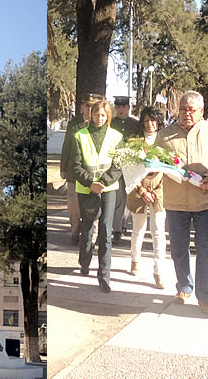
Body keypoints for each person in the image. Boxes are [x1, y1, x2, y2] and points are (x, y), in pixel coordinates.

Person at [156, 91, 208, 312]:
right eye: (182, 109)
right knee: (179, 248)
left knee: (206, 248)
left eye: (191, 110)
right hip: (175, 201)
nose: (186, 113)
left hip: (205, 201)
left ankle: (205, 295)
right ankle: (184, 286)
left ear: (201, 111)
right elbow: (156, 162)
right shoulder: (165, 134)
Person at [73, 100, 123, 292]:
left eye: (103, 115)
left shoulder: (116, 137)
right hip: (86, 189)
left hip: (108, 189)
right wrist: (90, 183)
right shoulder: (80, 136)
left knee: (105, 229)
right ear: (91, 115)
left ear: (107, 116)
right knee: (87, 227)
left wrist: (103, 183)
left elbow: (118, 165)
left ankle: (104, 276)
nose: (99, 118)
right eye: (96, 114)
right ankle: (84, 261)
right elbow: (75, 166)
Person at [127, 106, 166, 289]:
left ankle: (159, 271)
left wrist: (154, 190)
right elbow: (128, 168)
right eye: (146, 121)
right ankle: (135, 259)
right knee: (138, 228)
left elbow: (171, 166)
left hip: (159, 188)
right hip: (138, 188)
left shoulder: (164, 141)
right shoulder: (135, 142)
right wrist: (142, 190)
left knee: (158, 230)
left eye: (153, 120)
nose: (150, 124)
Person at [60, 93, 104, 244]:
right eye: (87, 105)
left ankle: (92, 237)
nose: (90, 109)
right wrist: (63, 167)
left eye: (93, 106)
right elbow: (67, 146)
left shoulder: (100, 125)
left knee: (93, 205)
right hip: (74, 173)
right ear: (82, 107)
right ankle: (75, 231)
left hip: (93, 173)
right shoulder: (74, 124)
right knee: (74, 207)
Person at [111, 96, 141, 243]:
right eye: (118, 107)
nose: (121, 110)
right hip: (115, 164)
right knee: (118, 196)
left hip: (131, 164)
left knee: (128, 195)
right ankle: (117, 228)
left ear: (128, 108)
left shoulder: (135, 124)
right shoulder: (111, 124)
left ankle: (123, 223)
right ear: (115, 108)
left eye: (124, 107)